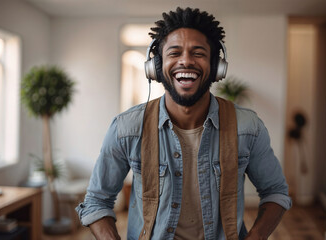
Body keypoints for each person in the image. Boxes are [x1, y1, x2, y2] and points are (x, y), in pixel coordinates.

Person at [76, 7, 292, 240]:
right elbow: (97, 202)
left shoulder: (248, 127)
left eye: (198, 53)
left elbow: (275, 192)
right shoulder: (127, 128)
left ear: (216, 67)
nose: (186, 61)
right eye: (174, 52)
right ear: (156, 67)